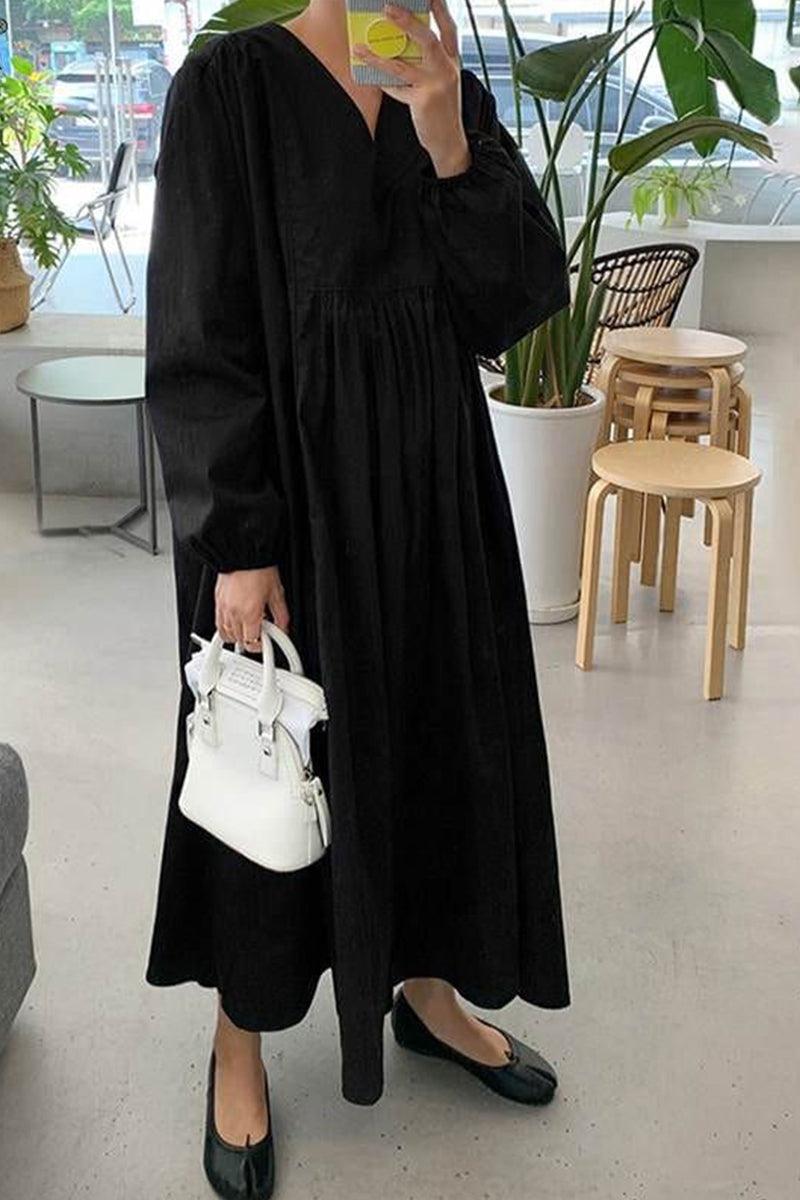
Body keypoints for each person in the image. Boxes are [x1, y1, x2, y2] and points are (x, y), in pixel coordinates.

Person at [144, 0, 571, 1194]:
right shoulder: (227, 85)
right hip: (289, 508)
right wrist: (237, 540)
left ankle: (426, 989)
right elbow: (194, 326)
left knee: (440, 739)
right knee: (274, 767)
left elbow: (512, 298)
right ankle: (241, 1035)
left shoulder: (448, 83)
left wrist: (443, 130)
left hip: (434, 492)